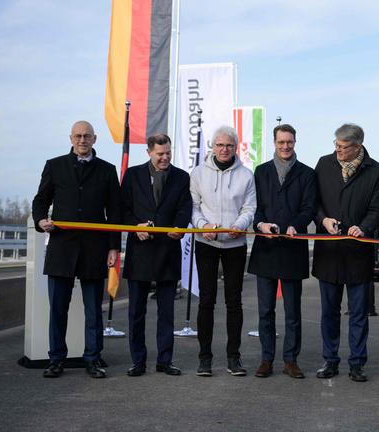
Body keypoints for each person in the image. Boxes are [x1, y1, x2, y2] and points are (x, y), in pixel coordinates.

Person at [32, 120, 121, 379]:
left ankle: (92, 359)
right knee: (58, 309)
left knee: (94, 310)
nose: (82, 140)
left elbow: (114, 211)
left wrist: (114, 246)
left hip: (95, 249)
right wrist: (40, 221)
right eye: (78, 136)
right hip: (62, 248)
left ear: (95, 139)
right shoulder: (54, 165)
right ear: (71, 138)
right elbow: (40, 200)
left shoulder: (107, 170)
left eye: (87, 136)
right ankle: (56, 359)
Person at [312, 123, 379, 382]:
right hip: (329, 252)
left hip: (358, 253)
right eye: (336, 145)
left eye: (343, 148)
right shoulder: (323, 164)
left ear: (358, 147)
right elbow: (315, 202)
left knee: (358, 313)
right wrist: (323, 220)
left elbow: (378, 209)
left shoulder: (375, 171)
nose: (338, 151)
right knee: (329, 312)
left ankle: (357, 363)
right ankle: (330, 360)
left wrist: (363, 227)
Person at [247, 124, 317, 379]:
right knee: (265, 310)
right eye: (281, 142)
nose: (285, 146)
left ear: (295, 142)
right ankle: (267, 359)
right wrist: (261, 223)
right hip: (265, 249)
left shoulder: (307, 174)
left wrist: (295, 225)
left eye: (289, 142)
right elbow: (254, 206)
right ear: (274, 143)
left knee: (292, 312)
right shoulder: (261, 171)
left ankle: (291, 360)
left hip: (292, 248)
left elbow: (309, 208)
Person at [121, 133, 192, 377]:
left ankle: (165, 360)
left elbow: (185, 208)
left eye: (168, 153)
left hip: (167, 252)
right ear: (149, 152)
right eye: (160, 154)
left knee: (167, 313)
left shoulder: (182, 177)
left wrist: (179, 229)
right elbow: (123, 210)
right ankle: (138, 361)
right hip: (139, 252)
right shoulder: (132, 175)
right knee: (136, 312)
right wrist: (135, 227)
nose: (165, 158)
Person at [190, 126, 257, 377]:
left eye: (229, 145)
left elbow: (250, 208)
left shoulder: (246, 175)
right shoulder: (197, 174)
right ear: (212, 146)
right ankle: (204, 358)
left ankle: (233, 357)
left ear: (236, 147)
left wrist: (239, 226)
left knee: (234, 302)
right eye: (219, 145)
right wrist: (202, 226)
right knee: (206, 301)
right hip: (206, 243)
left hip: (235, 245)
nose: (224, 149)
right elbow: (193, 207)